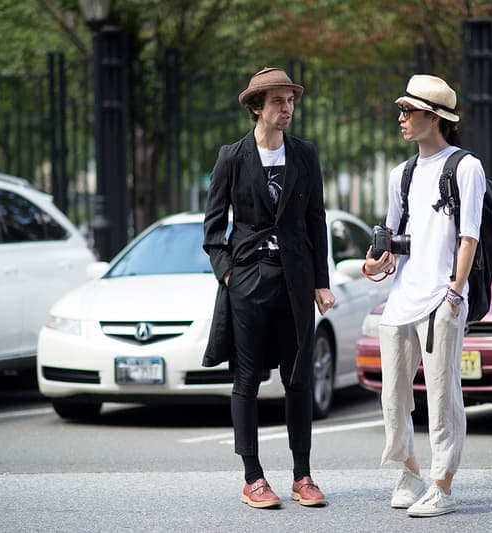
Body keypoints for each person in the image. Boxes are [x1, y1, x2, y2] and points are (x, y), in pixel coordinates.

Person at [202, 67, 335, 509]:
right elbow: (213, 228)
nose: (287, 108)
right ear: (256, 107)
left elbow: (316, 220)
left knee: (298, 379)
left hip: (296, 282)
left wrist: (321, 280)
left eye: (291, 100)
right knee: (246, 381)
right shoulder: (232, 157)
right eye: (277, 101)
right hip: (249, 279)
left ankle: (303, 476)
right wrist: (228, 274)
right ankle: (253, 478)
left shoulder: (305, 154)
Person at [363, 74, 486, 517]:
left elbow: (468, 237)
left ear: (433, 118)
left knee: (442, 394)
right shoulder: (402, 173)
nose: (401, 119)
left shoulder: (465, 167)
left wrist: (455, 292)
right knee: (392, 395)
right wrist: (374, 260)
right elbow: (392, 235)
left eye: (408, 111)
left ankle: (442, 485)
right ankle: (409, 470)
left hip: (441, 298)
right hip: (401, 298)